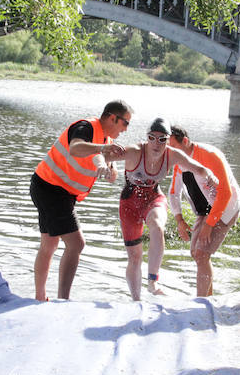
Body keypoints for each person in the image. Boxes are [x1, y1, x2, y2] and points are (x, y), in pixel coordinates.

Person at [32, 100, 130, 301]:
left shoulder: (106, 139)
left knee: (49, 245)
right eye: (125, 123)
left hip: (56, 190)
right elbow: (76, 148)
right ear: (113, 117)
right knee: (76, 244)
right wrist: (102, 151)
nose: (126, 129)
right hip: (50, 188)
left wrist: (111, 171)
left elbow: (101, 159)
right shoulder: (85, 127)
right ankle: (63, 300)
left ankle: (40, 297)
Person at [109, 118, 214, 300]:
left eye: (162, 139)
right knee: (135, 257)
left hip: (153, 197)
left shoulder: (173, 155)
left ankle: (152, 281)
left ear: (167, 140)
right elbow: (103, 155)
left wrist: (210, 175)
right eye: (152, 138)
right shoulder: (134, 151)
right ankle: (136, 299)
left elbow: (198, 168)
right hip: (129, 203)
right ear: (146, 138)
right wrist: (106, 165)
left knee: (157, 226)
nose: (156, 144)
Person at [167, 125, 240, 297]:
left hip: (227, 207)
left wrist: (209, 224)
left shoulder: (209, 155)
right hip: (205, 210)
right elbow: (173, 192)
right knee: (196, 253)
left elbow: (225, 192)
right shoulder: (178, 161)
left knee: (201, 254)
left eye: (174, 147)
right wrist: (179, 220)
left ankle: (200, 303)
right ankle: (208, 299)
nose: (171, 153)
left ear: (185, 141)